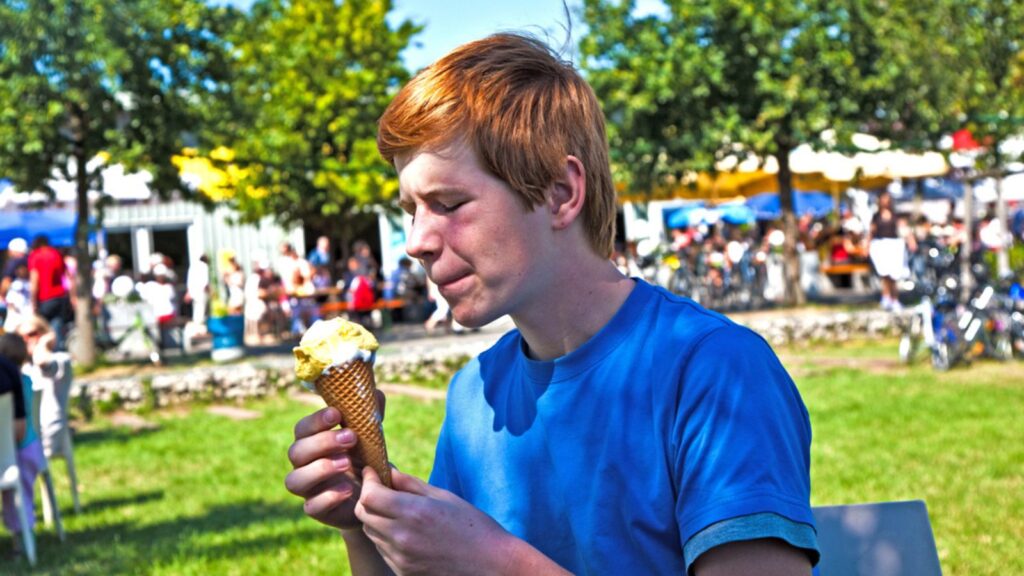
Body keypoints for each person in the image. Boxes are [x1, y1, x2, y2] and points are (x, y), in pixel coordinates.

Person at [285, 34, 818, 575]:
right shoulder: (475, 393)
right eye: (411, 210)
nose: (416, 240)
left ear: (560, 194)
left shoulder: (714, 370)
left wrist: (498, 563)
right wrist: (364, 525)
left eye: (448, 204)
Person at [0, 333, 45, 547]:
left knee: (16, 500)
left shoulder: (10, 389)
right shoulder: (26, 381)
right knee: (23, 496)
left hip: (18, 452)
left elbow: (13, 433)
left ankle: (24, 541)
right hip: (33, 448)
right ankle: (25, 537)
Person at [867, 190, 915, 311]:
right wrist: (867, 245)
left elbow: (904, 229)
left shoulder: (895, 216)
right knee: (885, 274)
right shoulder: (876, 216)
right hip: (880, 246)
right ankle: (886, 297)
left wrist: (911, 241)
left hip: (893, 246)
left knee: (893, 274)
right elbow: (871, 232)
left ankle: (894, 299)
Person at [27, 235, 74, 351]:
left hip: (45, 298)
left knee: (44, 329)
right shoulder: (56, 254)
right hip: (60, 296)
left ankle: (50, 353)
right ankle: (59, 352)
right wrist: (72, 296)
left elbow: (34, 280)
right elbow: (68, 276)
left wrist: (33, 301)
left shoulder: (35, 256)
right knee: (57, 326)